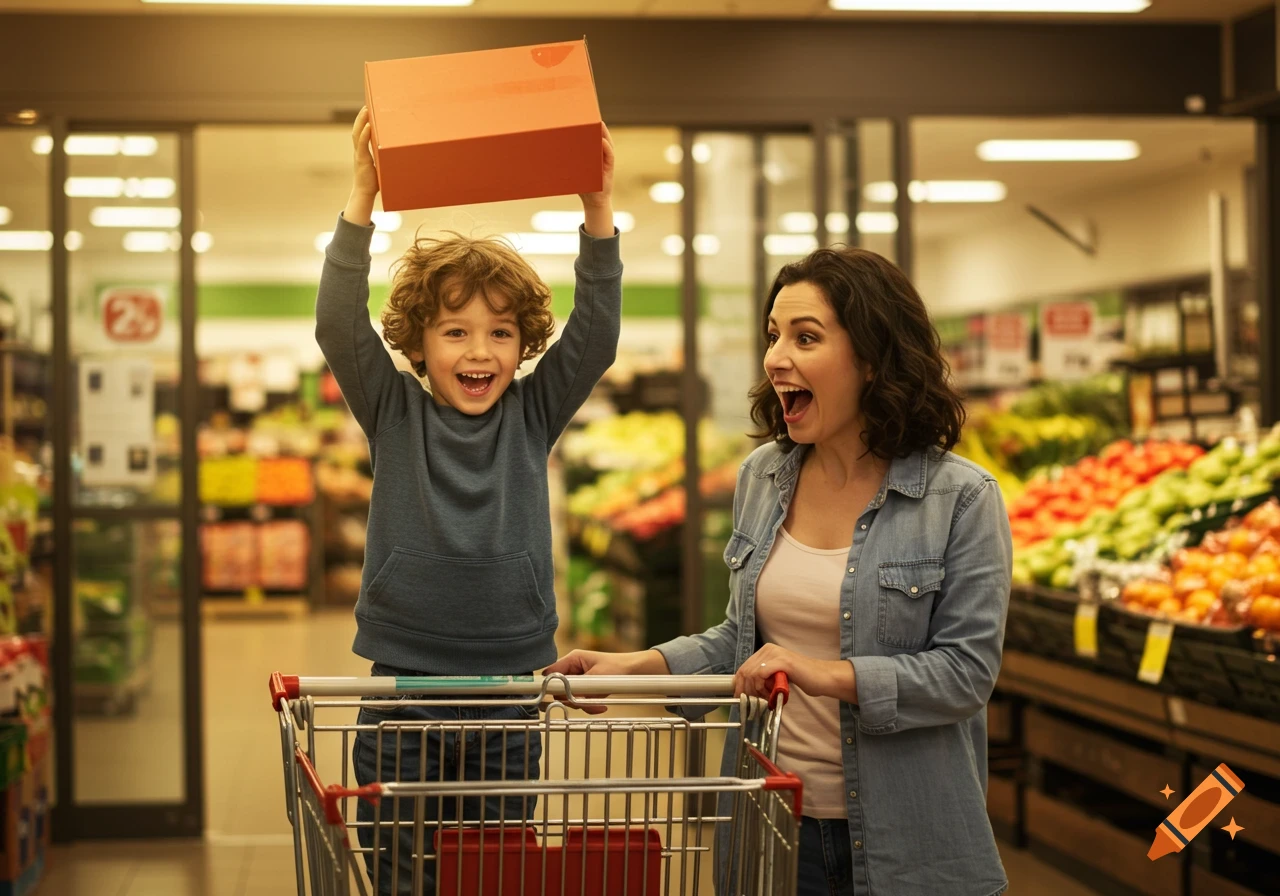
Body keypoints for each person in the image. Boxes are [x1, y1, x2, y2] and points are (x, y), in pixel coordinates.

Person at [547, 246, 1011, 896]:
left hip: (910, 843)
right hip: (773, 825)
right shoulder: (764, 477)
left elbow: (965, 674)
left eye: (806, 336)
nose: (775, 357)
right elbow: (743, 641)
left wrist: (819, 673)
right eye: (773, 336)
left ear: (873, 359)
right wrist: (635, 665)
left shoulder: (960, 498)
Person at [316, 107, 620, 894]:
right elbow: (336, 325)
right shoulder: (393, 411)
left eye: (500, 333)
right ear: (417, 344)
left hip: (510, 691)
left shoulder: (533, 411)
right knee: (398, 871)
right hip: (402, 687)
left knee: (492, 871)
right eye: (455, 332)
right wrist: (362, 197)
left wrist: (597, 209)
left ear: (525, 347)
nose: (479, 351)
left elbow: (597, 334)